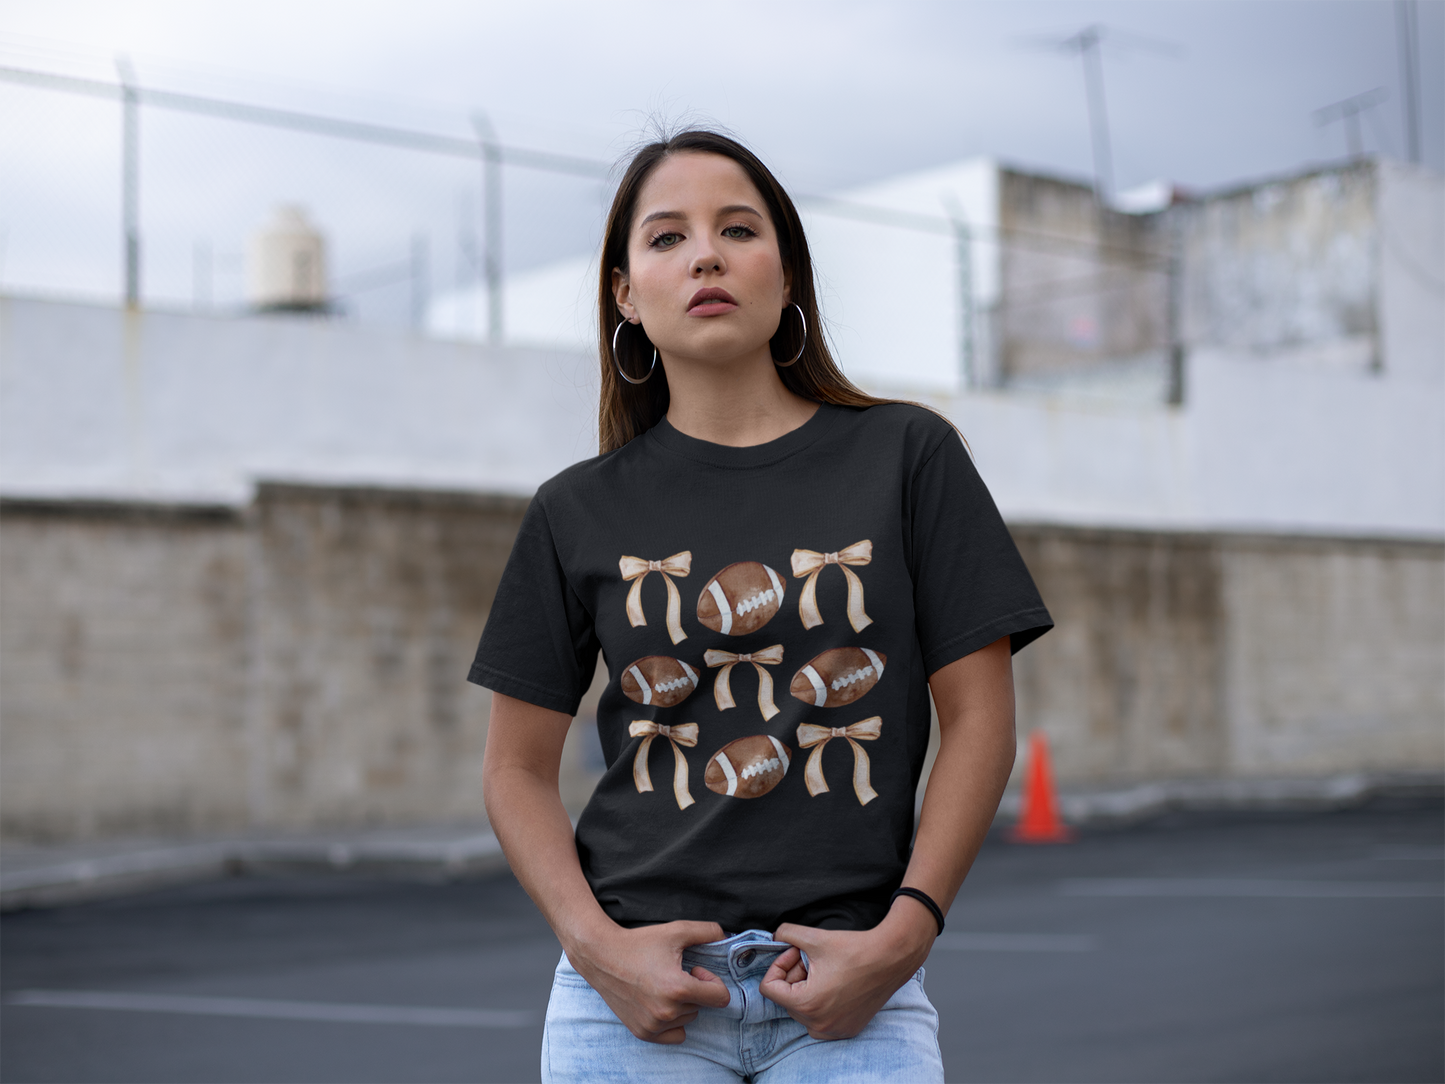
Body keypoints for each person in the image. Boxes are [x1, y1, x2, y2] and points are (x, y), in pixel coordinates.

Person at [471, 128, 1052, 1082]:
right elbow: (514, 771)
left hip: (852, 990)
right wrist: (594, 947)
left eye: (737, 229)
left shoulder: (908, 457)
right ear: (625, 294)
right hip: (633, 999)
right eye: (665, 238)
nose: (704, 253)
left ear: (786, 275)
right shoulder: (575, 509)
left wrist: (906, 936)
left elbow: (980, 721)